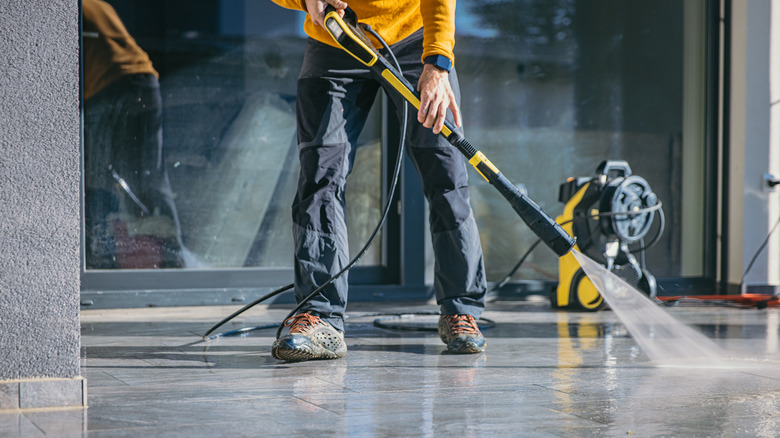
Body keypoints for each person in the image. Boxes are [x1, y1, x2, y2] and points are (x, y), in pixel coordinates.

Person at [270, 0, 488, 361]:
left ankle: (461, 309)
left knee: (446, 175)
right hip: (335, 39)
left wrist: (438, 62)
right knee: (320, 177)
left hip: (413, 41)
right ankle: (320, 316)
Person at [82, 0, 184, 269]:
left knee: (96, 177)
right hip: (143, 81)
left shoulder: (78, 7)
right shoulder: (96, 6)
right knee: (149, 176)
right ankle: (173, 257)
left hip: (113, 87)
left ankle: (100, 258)